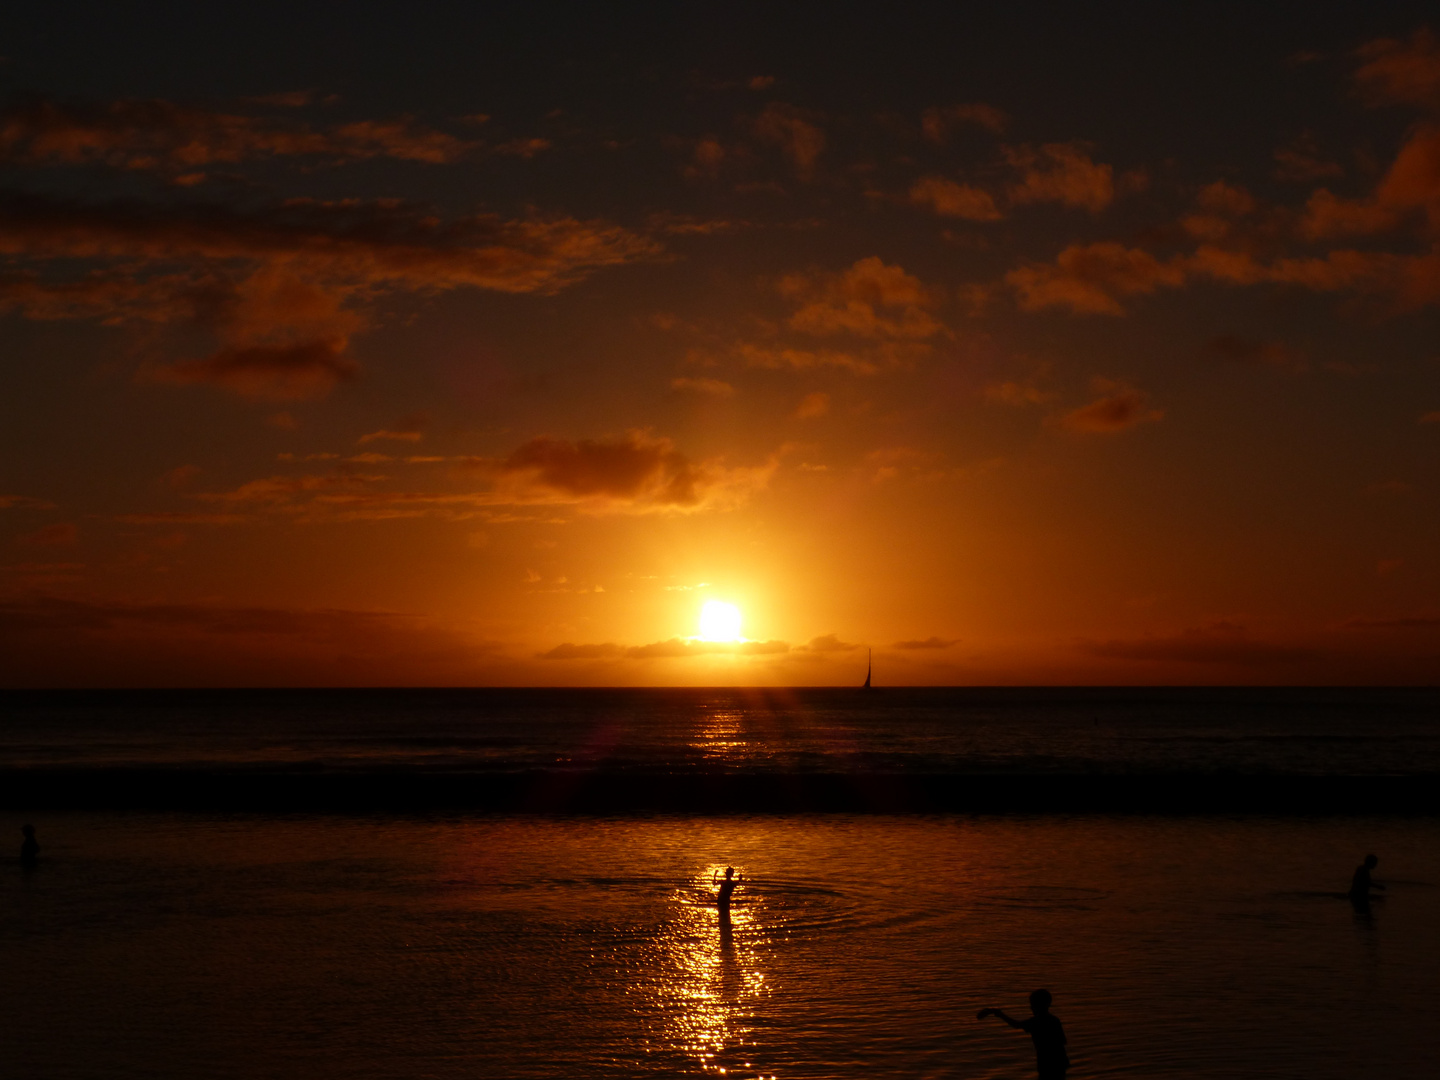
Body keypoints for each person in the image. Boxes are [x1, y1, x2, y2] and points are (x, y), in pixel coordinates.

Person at [978, 989, 1069, 1080]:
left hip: (1047, 1064)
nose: (1031, 1008)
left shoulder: (1036, 1022)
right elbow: (1063, 1041)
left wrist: (1000, 1014)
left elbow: (1016, 1025)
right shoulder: (1054, 1020)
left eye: (1033, 1005)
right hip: (1060, 1062)